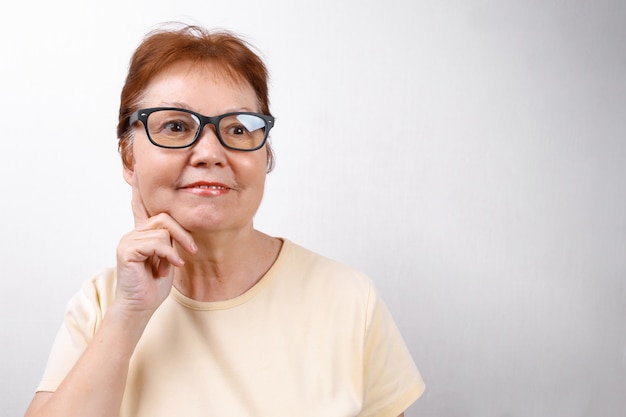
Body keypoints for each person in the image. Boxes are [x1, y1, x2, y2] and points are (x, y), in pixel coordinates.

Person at [24, 23, 424, 417]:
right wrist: (128, 317)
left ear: (264, 156)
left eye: (238, 128)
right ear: (129, 158)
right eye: (176, 126)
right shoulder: (103, 303)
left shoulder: (350, 300)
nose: (210, 153)